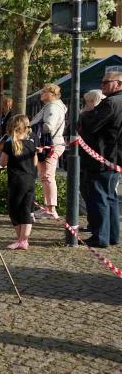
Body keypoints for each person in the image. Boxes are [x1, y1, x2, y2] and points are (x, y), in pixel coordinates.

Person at [78, 67, 122, 248]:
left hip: (102, 157)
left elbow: (91, 125)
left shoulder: (110, 103)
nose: (102, 85)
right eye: (102, 82)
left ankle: (100, 236)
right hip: (114, 158)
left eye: (106, 82)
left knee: (99, 197)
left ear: (118, 84)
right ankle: (112, 235)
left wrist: (86, 114)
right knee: (110, 197)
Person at [0, 115, 38, 250]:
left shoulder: (9, 144)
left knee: (14, 209)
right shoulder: (31, 144)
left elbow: (2, 163)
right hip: (30, 180)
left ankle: (20, 239)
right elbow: (35, 163)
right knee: (27, 209)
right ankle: (24, 240)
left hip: (16, 181)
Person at [30, 83, 67, 220]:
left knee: (47, 176)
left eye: (44, 91)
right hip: (50, 144)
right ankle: (49, 208)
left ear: (52, 94)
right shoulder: (52, 106)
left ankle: (51, 209)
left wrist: (30, 128)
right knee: (45, 176)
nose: (41, 93)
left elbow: (48, 126)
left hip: (50, 145)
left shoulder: (53, 107)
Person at [78, 90, 106, 233]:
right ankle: (95, 225)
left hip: (93, 161)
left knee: (93, 194)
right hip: (93, 160)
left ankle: (97, 227)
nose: (86, 104)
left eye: (88, 101)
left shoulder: (91, 117)